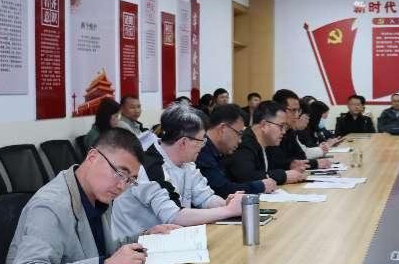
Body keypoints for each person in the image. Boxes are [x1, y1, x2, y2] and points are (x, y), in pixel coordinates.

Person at [0, 129, 179, 264]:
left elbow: (92, 250)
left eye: (130, 180)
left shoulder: (98, 194)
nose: (122, 186)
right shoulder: (51, 206)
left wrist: (143, 237)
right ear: (93, 157)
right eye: (120, 173)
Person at [110, 103, 245, 239]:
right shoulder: (149, 166)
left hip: (169, 239)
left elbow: (205, 197)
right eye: (201, 141)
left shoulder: (187, 162)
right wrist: (228, 210)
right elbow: (173, 216)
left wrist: (227, 204)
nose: (202, 146)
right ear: (183, 142)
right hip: (134, 244)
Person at [196, 104, 277, 197]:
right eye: (239, 133)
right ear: (223, 129)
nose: (240, 141)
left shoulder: (219, 151)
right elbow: (222, 189)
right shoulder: (201, 150)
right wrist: (260, 186)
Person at [225, 101, 305, 186]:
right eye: (281, 126)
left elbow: (276, 164)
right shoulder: (244, 144)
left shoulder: (269, 144)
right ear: (264, 125)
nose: (284, 132)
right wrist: (283, 176)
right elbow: (246, 177)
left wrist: (290, 165)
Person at [270, 89, 332, 171]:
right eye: (293, 110)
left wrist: (314, 163)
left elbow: (301, 157)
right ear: (279, 110)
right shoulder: (271, 132)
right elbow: (278, 164)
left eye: (298, 111)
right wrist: (315, 163)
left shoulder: (290, 132)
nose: (297, 115)